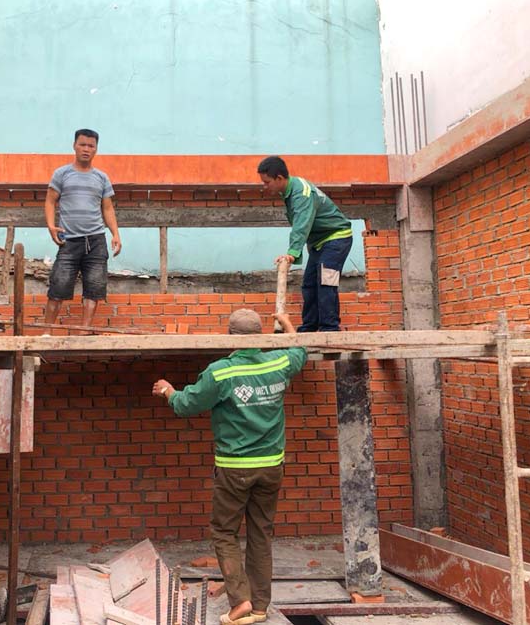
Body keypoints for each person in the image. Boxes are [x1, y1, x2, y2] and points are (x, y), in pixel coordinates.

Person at [152, 310, 307, 625]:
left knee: (224, 532)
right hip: (271, 466)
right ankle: (260, 606)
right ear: (260, 334)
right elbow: (299, 351)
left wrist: (168, 391)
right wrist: (287, 323)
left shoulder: (220, 372)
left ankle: (240, 600)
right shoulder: (279, 363)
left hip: (235, 468)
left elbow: (186, 405)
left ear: (230, 337)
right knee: (260, 534)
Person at [257, 155, 353, 332]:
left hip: (336, 239)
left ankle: (330, 328)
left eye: (267, 182)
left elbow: (302, 224)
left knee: (326, 282)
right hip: (320, 243)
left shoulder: (301, 193)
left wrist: (292, 253)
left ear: (279, 178)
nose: (264, 186)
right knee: (309, 284)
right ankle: (309, 326)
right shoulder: (290, 191)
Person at [44, 129, 122, 329]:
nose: (86, 149)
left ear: (96, 149)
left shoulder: (101, 178)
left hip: (96, 241)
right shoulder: (62, 174)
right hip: (69, 241)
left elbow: (107, 208)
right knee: (58, 287)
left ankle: (84, 332)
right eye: (82, 145)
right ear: (74, 146)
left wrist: (115, 233)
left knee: (94, 290)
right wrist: (51, 226)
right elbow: (50, 201)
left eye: (91, 146)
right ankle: (46, 333)